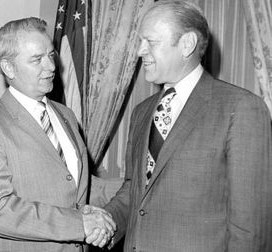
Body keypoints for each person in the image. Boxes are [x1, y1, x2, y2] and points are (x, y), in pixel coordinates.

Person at [104, 1, 272, 251]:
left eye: (151, 41)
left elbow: (250, 228)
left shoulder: (241, 107)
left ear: (187, 44)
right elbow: (135, 190)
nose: (140, 50)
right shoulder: (141, 112)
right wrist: (102, 220)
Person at [0, 17, 116, 252]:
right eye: (37, 60)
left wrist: (138, 186)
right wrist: (79, 224)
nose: (52, 67)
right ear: (8, 67)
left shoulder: (66, 115)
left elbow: (75, 187)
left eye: (51, 55)